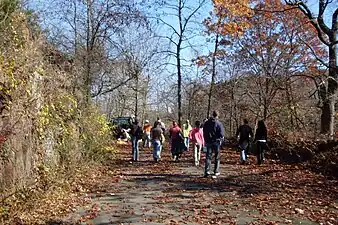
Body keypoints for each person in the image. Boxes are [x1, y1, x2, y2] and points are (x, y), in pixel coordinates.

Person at [203, 111, 225, 177]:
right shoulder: (218, 123)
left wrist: (206, 139)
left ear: (212, 115)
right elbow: (222, 134)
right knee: (217, 157)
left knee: (208, 157)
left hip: (208, 142)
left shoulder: (206, 123)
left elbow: (204, 131)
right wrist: (221, 139)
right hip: (216, 142)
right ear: (217, 116)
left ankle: (207, 171)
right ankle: (216, 171)